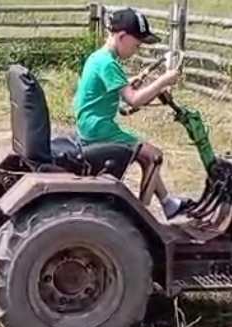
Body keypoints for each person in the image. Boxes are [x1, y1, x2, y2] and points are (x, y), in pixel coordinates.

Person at [72, 7, 192, 219]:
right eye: (136, 45)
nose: (137, 50)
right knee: (153, 156)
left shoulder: (99, 58)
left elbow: (105, 91)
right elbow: (134, 99)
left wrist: (128, 82)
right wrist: (162, 81)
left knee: (145, 152)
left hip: (91, 123)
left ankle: (168, 202)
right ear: (122, 36)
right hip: (98, 128)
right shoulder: (108, 63)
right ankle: (140, 217)